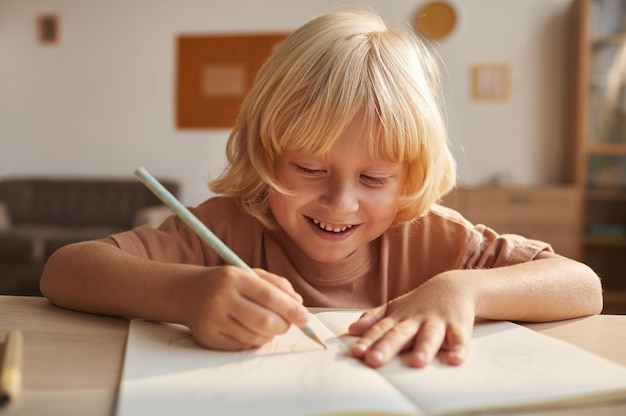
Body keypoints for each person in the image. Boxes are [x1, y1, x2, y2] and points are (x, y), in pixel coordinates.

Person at [40, 9, 602, 369]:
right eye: (308, 169)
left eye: (375, 178)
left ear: (409, 176)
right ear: (265, 151)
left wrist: (465, 290)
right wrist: (185, 294)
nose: (341, 203)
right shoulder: (220, 229)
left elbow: (582, 286)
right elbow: (65, 269)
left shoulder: (438, 241)